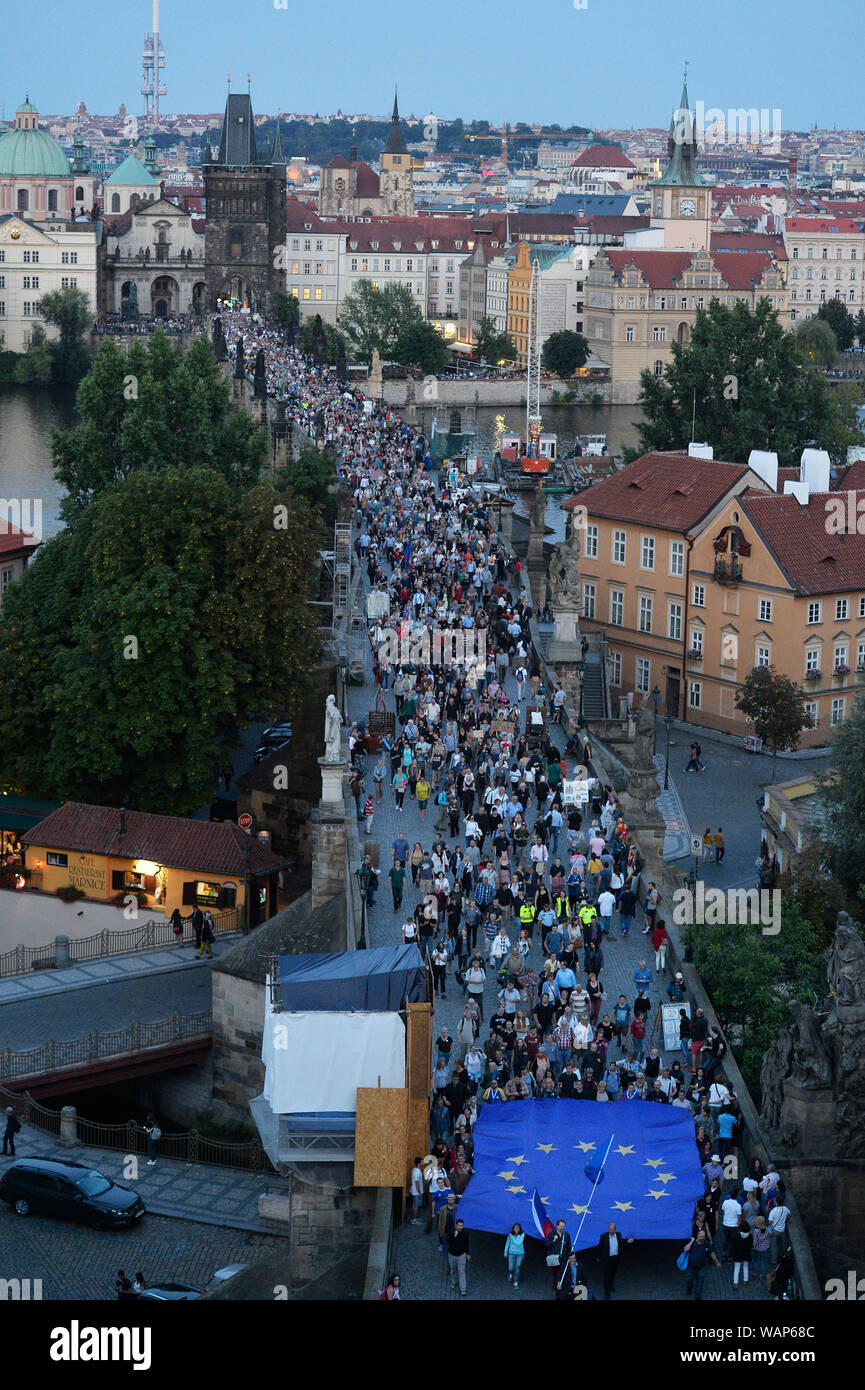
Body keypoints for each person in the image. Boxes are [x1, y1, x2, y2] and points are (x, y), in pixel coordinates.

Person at [681, 1229, 721, 1299]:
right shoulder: (693, 1243)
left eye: (703, 1236)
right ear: (697, 1236)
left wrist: (717, 1262)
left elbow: (712, 1253)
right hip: (691, 1267)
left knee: (700, 1283)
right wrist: (691, 1241)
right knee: (688, 1280)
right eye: (700, 1236)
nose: (702, 1238)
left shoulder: (706, 1244)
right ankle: (689, 1287)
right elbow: (685, 1249)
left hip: (702, 1268)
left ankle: (697, 1296)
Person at [597, 1222, 632, 1298]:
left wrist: (627, 1241)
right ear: (608, 1229)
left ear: (615, 1229)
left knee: (613, 1273)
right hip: (607, 1259)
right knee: (606, 1276)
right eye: (610, 1229)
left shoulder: (619, 1235)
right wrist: (598, 1257)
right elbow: (600, 1247)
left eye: (612, 1230)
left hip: (615, 1258)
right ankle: (607, 1293)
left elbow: (620, 1241)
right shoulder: (603, 1236)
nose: (611, 1231)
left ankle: (611, 1285)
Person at [547, 1218, 572, 1296]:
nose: (562, 1228)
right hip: (554, 1259)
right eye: (561, 1226)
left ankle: (559, 1289)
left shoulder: (566, 1235)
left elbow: (568, 1246)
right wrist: (553, 1240)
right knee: (555, 1275)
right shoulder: (551, 1233)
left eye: (563, 1226)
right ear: (557, 1226)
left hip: (563, 1259)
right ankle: (556, 1288)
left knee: (562, 1275)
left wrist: (570, 1256)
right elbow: (546, 1244)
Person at [447, 1217, 470, 1296]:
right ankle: (453, 1282)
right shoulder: (452, 1232)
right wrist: (454, 1236)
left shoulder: (465, 1234)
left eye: (462, 1226)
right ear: (456, 1225)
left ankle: (463, 1289)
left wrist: (467, 1254)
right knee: (452, 1270)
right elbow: (448, 1241)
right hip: (452, 1255)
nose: (460, 1227)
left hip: (461, 1255)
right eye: (459, 1225)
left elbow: (466, 1245)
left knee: (461, 1272)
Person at [732, 1215, 753, 1288]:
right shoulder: (750, 1236)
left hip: (738, 1254)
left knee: (737, 1268)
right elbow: (751, 1245)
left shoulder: (737, 1236)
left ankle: (735, 1283)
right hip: (746, 1254)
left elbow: (734, 1246)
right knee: (745, 1266)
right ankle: (745, 1280)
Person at [504, 1222, 526, 1288]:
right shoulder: (510, 1235)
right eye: (515, 1228)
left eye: (518, 1228)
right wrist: (505, 1252)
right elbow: (507, 1243)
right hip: (511, 1253)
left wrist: (512, 1237)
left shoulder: (522, 1234)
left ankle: (516, 1282)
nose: (516, 1229)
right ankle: (510, 1273)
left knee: (517, 1266)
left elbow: (518, 1243)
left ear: (520, 1228)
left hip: (520, 1253)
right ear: (513, 1228)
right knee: (511, 1267)